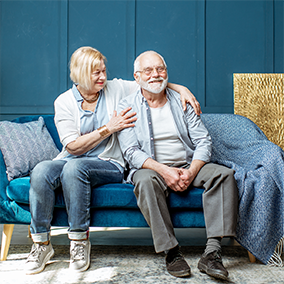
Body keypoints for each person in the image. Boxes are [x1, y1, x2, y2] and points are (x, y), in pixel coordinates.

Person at [25, 46, 200, 275]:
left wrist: (182, 89)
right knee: (40, 171)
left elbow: (150, 81)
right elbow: (73, 147)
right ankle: (40, 244)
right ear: (80, 75)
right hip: (73, 158)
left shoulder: (114, 88)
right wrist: (109, 128)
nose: (102, 77)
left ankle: (78, 241)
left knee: (74, 169)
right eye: (95, 73)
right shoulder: (64, 102)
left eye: (104, 71)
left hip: (109, 163)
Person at [117, 51, 238, 280]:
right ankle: (172, 252)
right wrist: (165, 171)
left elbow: (203, 140)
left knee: (223, 174)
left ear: (167, 72)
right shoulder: (127, 106)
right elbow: (131, 152)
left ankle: (212, 253)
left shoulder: (182, 100)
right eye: (148, 70)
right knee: (143, 180)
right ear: (137, 77)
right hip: (152, 169)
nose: (155, 74)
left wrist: (191, 171)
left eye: (160, 69)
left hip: (188, 163)